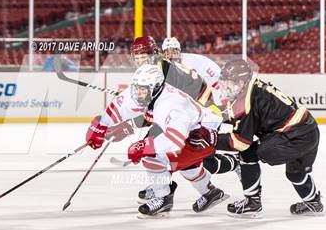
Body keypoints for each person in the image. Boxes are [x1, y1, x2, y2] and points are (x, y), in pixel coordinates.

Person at [85, 64, 228, 217]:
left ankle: (163, 198)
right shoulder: (145, 92)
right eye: (137, 88)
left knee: (152, 156)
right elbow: (120, 105)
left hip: (203, 134)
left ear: (156, 87)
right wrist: (101, 126)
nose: (139, 93)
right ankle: (210, 192)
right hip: (192, 129)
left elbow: (175, 141)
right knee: (186, 163)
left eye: (143, 89)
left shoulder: (170, 104)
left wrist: (143, 146)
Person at [216, 59, 323, 218]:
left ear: (241, 81)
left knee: (248, 152)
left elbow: (239, 142)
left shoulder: (245, 100)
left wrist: (211, 138)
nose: (225, 86)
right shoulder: (254, 88)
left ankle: (252, 203)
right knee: (295, 173)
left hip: (293, 135)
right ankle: (313, 202)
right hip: (309, 129)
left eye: (229, 82)